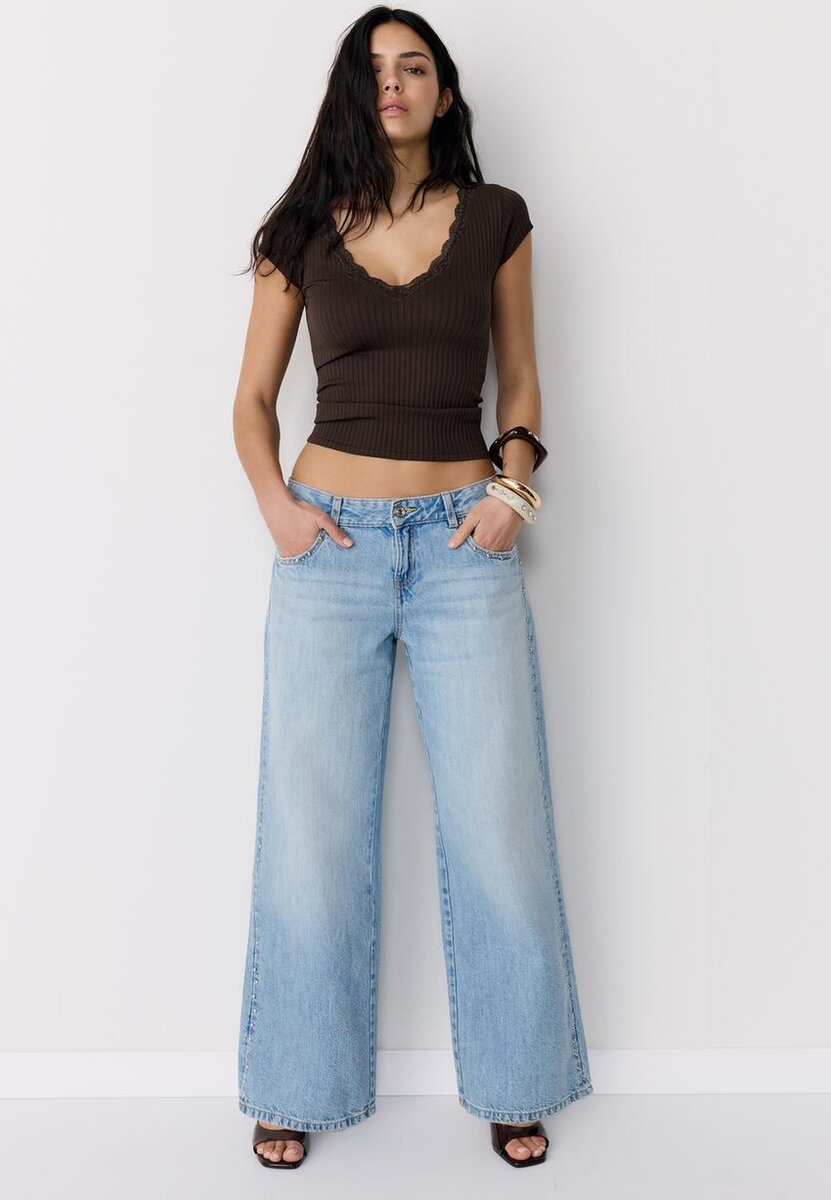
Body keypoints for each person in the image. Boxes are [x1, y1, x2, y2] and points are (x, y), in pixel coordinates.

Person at [232, 7, 593, 1171]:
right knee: (312, 829)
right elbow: (251, 402)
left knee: (499, 822)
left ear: (443, 91)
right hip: (327, 549)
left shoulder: (496, 218)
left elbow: (523, 384)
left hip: (462, 547)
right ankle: (294, 1081)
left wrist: (513, 493)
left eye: (414, 65)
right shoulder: (301, 228)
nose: (393, 83)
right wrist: (279, 512)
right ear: (353, 90)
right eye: (374, 68)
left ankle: (518, 1078)